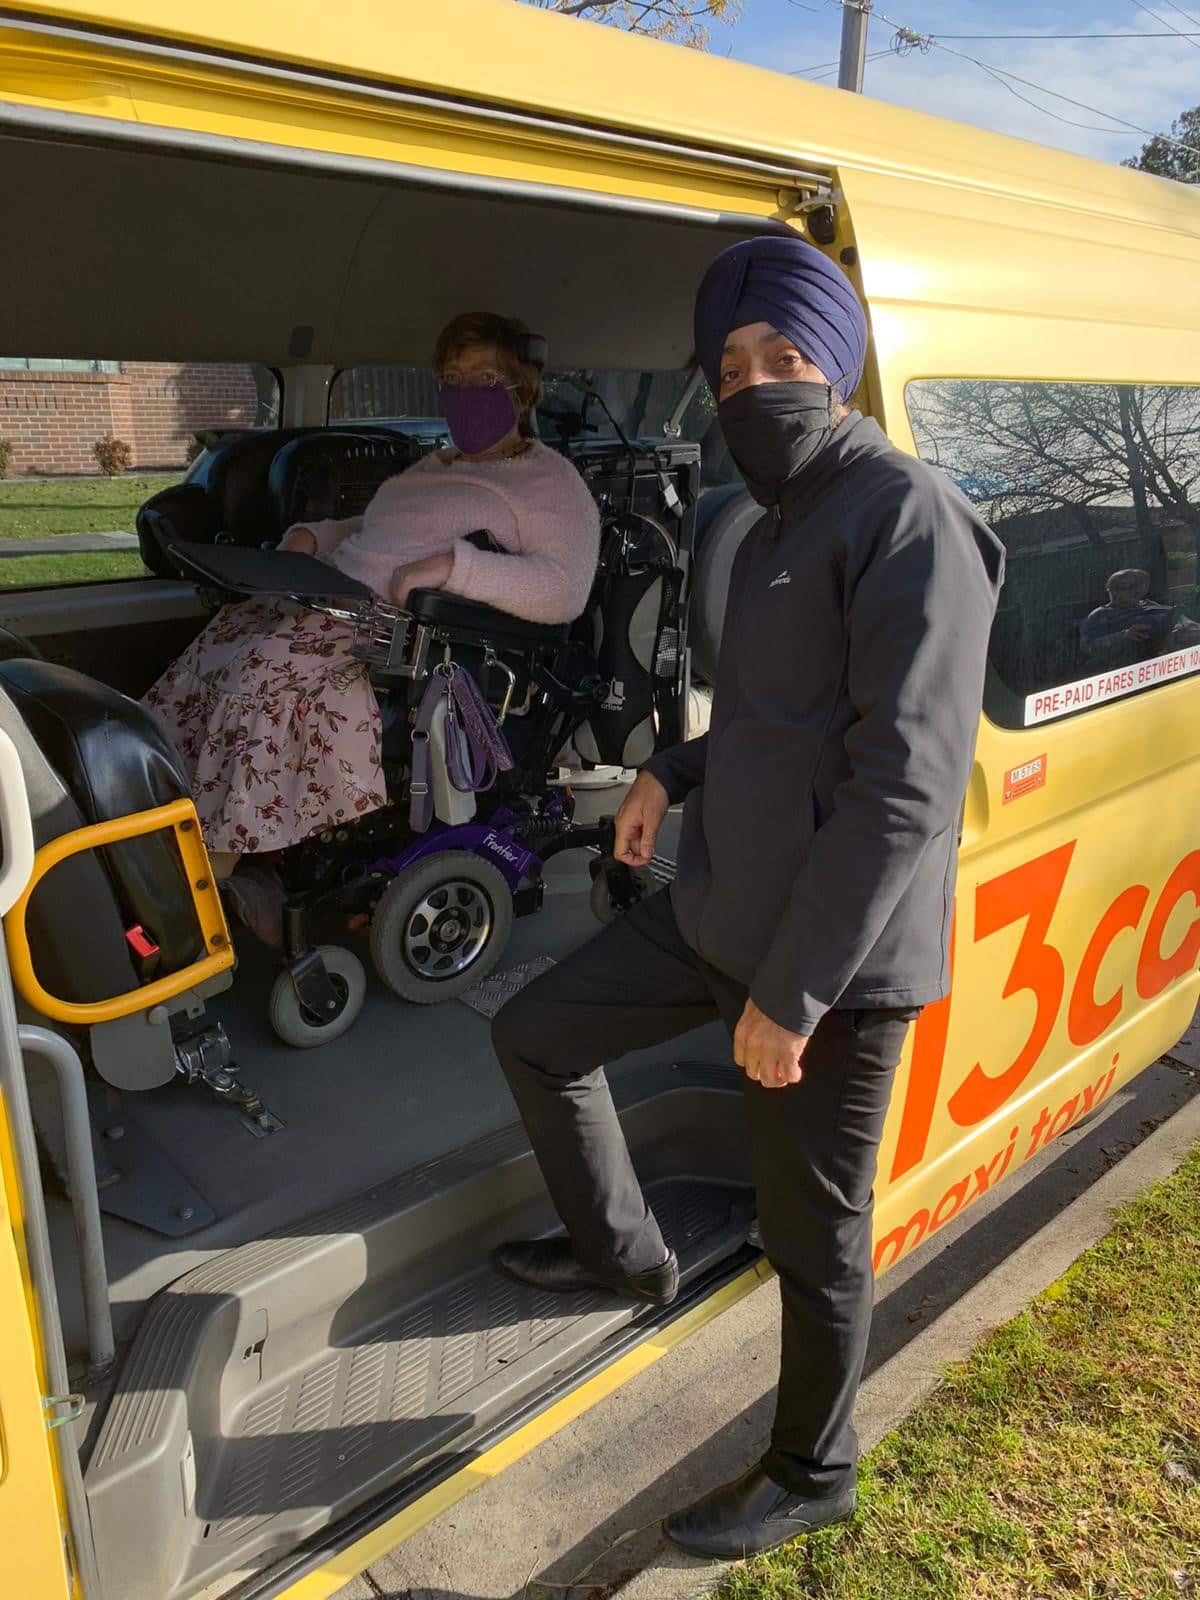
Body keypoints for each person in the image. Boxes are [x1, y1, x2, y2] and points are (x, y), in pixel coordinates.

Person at [488, 235, 1004, 1559]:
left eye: (785, 357)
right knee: (535, 1033)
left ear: (839, 367)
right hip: (725, 899)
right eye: (731, 366)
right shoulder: (779, 519)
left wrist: (794, 996)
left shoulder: (907, 516)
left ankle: (812, 1467)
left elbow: (906, 788)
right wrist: (673, 764)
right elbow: (783, 723)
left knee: (813, 1235)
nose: (756, 383)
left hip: (833, 960)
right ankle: (624, 1255)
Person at [144, 312, 599, 939]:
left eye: (483, 377)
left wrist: (454, 568)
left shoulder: (550, 481)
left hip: (402, 637)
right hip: (334, 594)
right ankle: (157, 828)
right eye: (452, 377)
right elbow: (378, 530)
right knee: (219, 642)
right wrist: (317, 534)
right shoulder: (437, 464)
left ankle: (203, 885)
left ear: (522, 389)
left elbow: (564, 589)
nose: (464, 391)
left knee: (255, 679)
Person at [1079, 568, 1174, 665]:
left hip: (1165, 659)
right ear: (1113, 591)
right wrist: (1124, 635)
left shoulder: (1150, 605)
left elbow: (1181, 621)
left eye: (1139, 586)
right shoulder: (1100, 615)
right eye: (1128, 587)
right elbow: (1088, 647)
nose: (1135, 591)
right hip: (1125, 666)